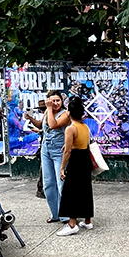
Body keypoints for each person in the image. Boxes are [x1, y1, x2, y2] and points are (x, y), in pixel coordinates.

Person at [24, 90, 71, 223]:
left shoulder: (65, 114)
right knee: (48, 183)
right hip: (46, 149)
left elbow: (53, 125)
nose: (55, 103)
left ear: (62, 101)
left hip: (59, 150)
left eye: (57, 100)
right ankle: (54, 213)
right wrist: (31, 119)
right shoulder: (47, 112)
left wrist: (49, 108)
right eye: (52, 100)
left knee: (61, 182)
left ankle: (66, 215)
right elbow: (42, 125)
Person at [56, 96, 94, 236]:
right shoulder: (85, 126)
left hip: (76, 160)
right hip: (85, 158)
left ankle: (72, 224)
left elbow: (68, 151)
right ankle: (87, 221)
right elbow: (81, 142)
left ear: (68, 112)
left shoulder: (70, 128)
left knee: (71, 190)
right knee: (85, 189)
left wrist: (62, 167)